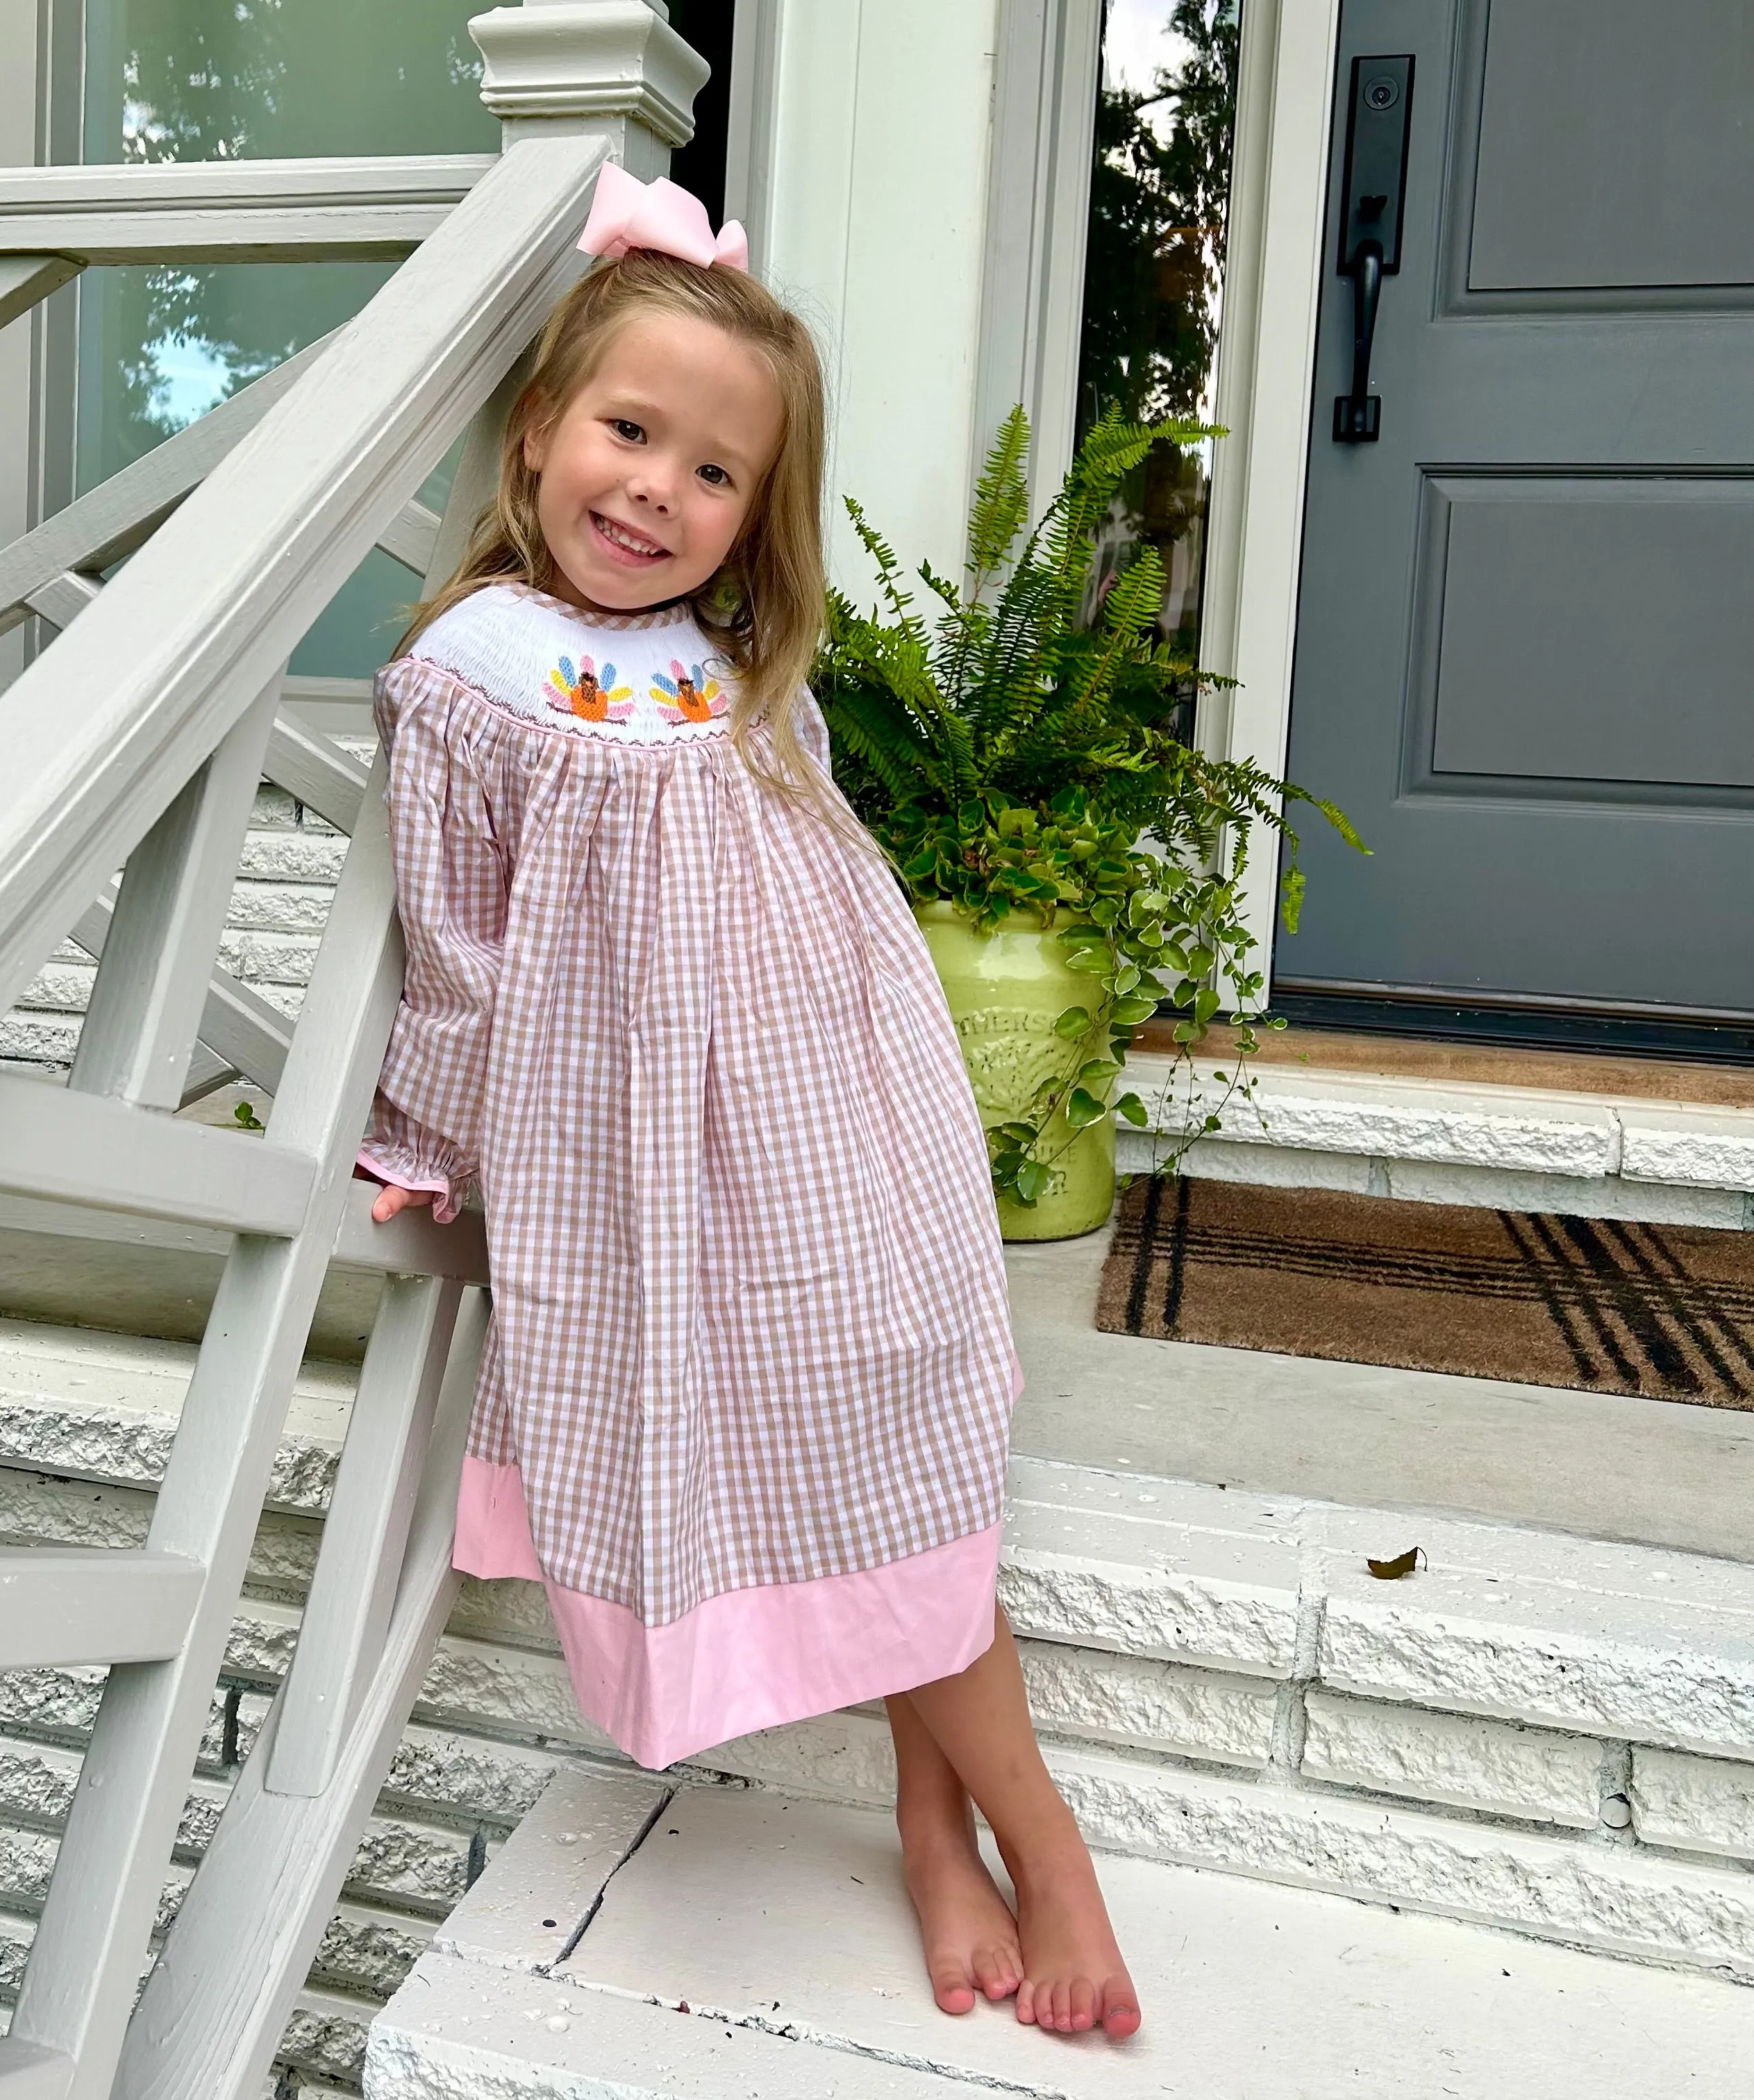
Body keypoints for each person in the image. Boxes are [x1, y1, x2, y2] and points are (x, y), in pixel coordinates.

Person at [355, 162, 1142, 2042]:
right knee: (827, 1457)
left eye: (715, 472)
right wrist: (424, 1138)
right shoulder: (469, 677)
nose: (659, 491)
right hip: (656, 1176)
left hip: (839, 1125)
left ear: (754, 512)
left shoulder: (733, 670)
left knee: (896, 1436)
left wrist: (909, 1099)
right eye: (631, 432)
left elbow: (836, 887)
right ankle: (1026, 1835)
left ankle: (952, 1821)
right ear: (541, 428)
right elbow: (460, 948)